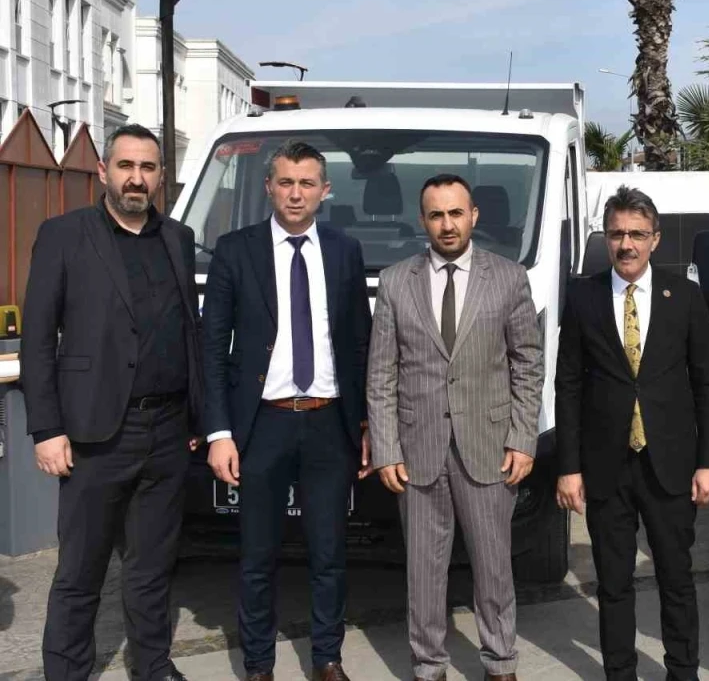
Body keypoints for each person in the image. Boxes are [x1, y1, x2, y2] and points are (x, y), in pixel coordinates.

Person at [22, 124, 202, 681]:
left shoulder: (178, 238)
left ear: (161, 177)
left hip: (168, 431)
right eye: (126, 166)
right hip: (94, 434)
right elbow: (37, 339)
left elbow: (188, 331)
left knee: (152, 567)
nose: (136, 178)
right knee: (81, 570)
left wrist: (198, 416)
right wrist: (46, 429)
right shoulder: (63, 235)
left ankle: (152, 666)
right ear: (104, 171)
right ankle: (67, 672)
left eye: (147, 168)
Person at [202, 141, 373, 681]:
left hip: (329, 422)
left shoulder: (345, 251)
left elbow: (360, 343)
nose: (295, 193)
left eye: (306, 183)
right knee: (257, 556)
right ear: (268, 187)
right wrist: (219, 432)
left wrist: (366, 423)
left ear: (325, 191)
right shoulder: (235, 250)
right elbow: (212, 348)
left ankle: (327, 658)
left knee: (329, 554)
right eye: (285, 182)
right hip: (262, 425)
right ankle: (258, 665)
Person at [366, 173, 542, 681]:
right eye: (437, 215)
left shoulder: (508, 277)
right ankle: (428, 666)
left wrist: (523, 438)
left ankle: (500, 662)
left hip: (489, 447)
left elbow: (528, 363)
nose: (447, 224)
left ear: (474, 216)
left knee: (494, 567)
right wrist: (386, 447)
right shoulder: (396, 281)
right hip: (417, 451)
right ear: (423, 220)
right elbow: (382, 373)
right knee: (424, 574)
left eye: (456, 213)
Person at [555, 185, 709, 681]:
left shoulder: (684, 296)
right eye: (616, 234)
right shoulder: (583, 296)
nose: (626, 244)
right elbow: (568, 384)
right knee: (613, 584)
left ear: (655, 239)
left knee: (676, 578)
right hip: (606, 466)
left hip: (669, 465)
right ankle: (620, 673)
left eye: (636, 234)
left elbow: (708, 384)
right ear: (605, 238)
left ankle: (682, 671)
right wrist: (568, 467)